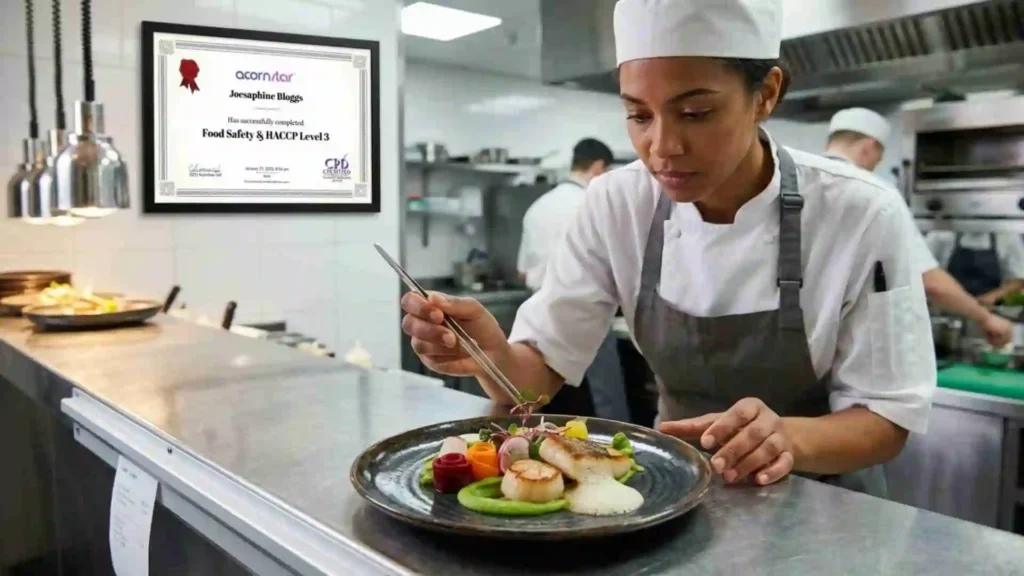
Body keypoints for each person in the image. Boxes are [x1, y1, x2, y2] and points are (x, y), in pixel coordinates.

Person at [401, 0, 935, 495]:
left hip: (824, 501)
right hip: (676, 491)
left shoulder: (859, 212)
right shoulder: (618, 203)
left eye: (696, 113)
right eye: (639, 115)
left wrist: (788, 439)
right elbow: (537, 374)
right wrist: (489, 354)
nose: (663, 148)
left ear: (766, 94)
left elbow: (885, 421)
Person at [825, 107, 1014, 347]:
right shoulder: (874, 193)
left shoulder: (791, 180)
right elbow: (930, 280)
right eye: (877, 158)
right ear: (868, 147)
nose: (875, 165)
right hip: (850, 342)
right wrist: (986, 318)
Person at [516, 138, 632, 422]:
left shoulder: (537, 206)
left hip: (538, 312)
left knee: (553, 411)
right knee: (606, 404)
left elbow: (522, 269)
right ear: (597, 167)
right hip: (585, 312)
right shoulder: (592, 204)